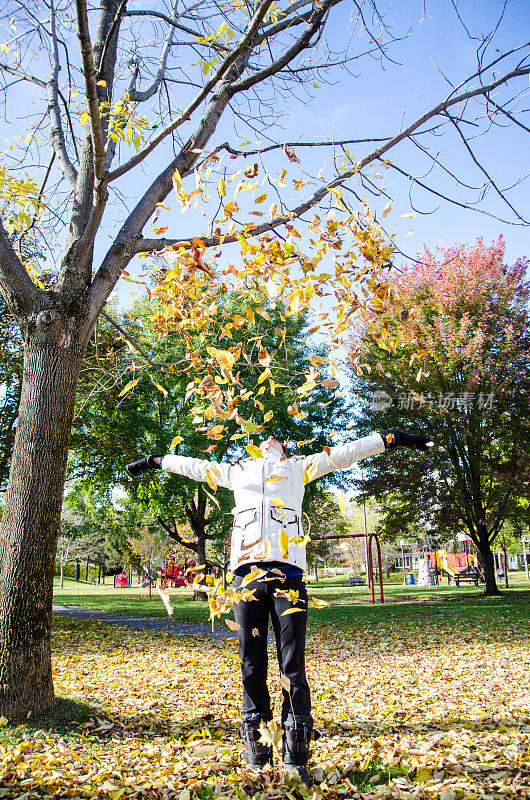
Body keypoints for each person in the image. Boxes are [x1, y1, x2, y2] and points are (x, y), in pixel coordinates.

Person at [126, 429, 433, 783]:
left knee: (292, 663)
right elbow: (194, 466)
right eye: (261, 437)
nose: (268, 438)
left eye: (275, 438)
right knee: (251, 663)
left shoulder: (298, 468)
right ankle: (258, 746)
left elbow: (349, 452)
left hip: (288, 576)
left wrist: (393, 438)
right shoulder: (236, 471)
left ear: (283, 450)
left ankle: (296, 750)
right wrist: (155, 461)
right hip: (247, 577)